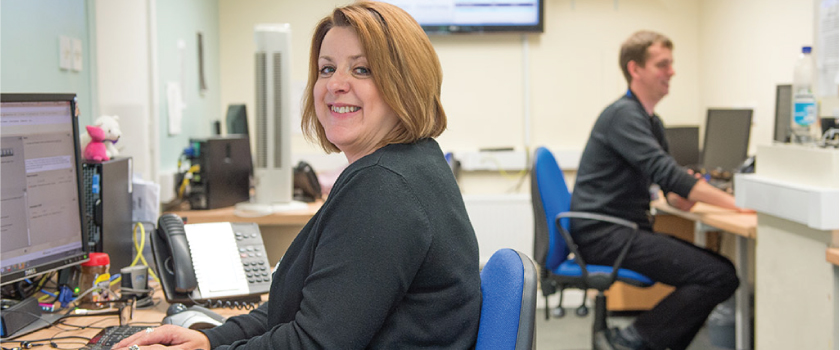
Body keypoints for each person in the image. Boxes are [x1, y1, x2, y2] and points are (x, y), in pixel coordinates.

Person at [115, 2, 481, 349]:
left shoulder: (385, 187)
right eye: (326, 68)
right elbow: (301, 307)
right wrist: (212, 338)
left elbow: (314, 342)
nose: (335, 84)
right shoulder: (411, 163)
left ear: (406, 83)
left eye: (361, 69)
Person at [569, 30, 750, 350]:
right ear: (635, 69)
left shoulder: (650, 122)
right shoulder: (623, 116)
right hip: (606, 234)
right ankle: (629, 342)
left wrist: (686, 193)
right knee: (718, 275)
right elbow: (668, 173)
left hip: (619, 230)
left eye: (671, 64)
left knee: (718, 273)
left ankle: (640, 341)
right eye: (662, 64)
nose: (672, 72)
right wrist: (739, 204)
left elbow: (671, 188)